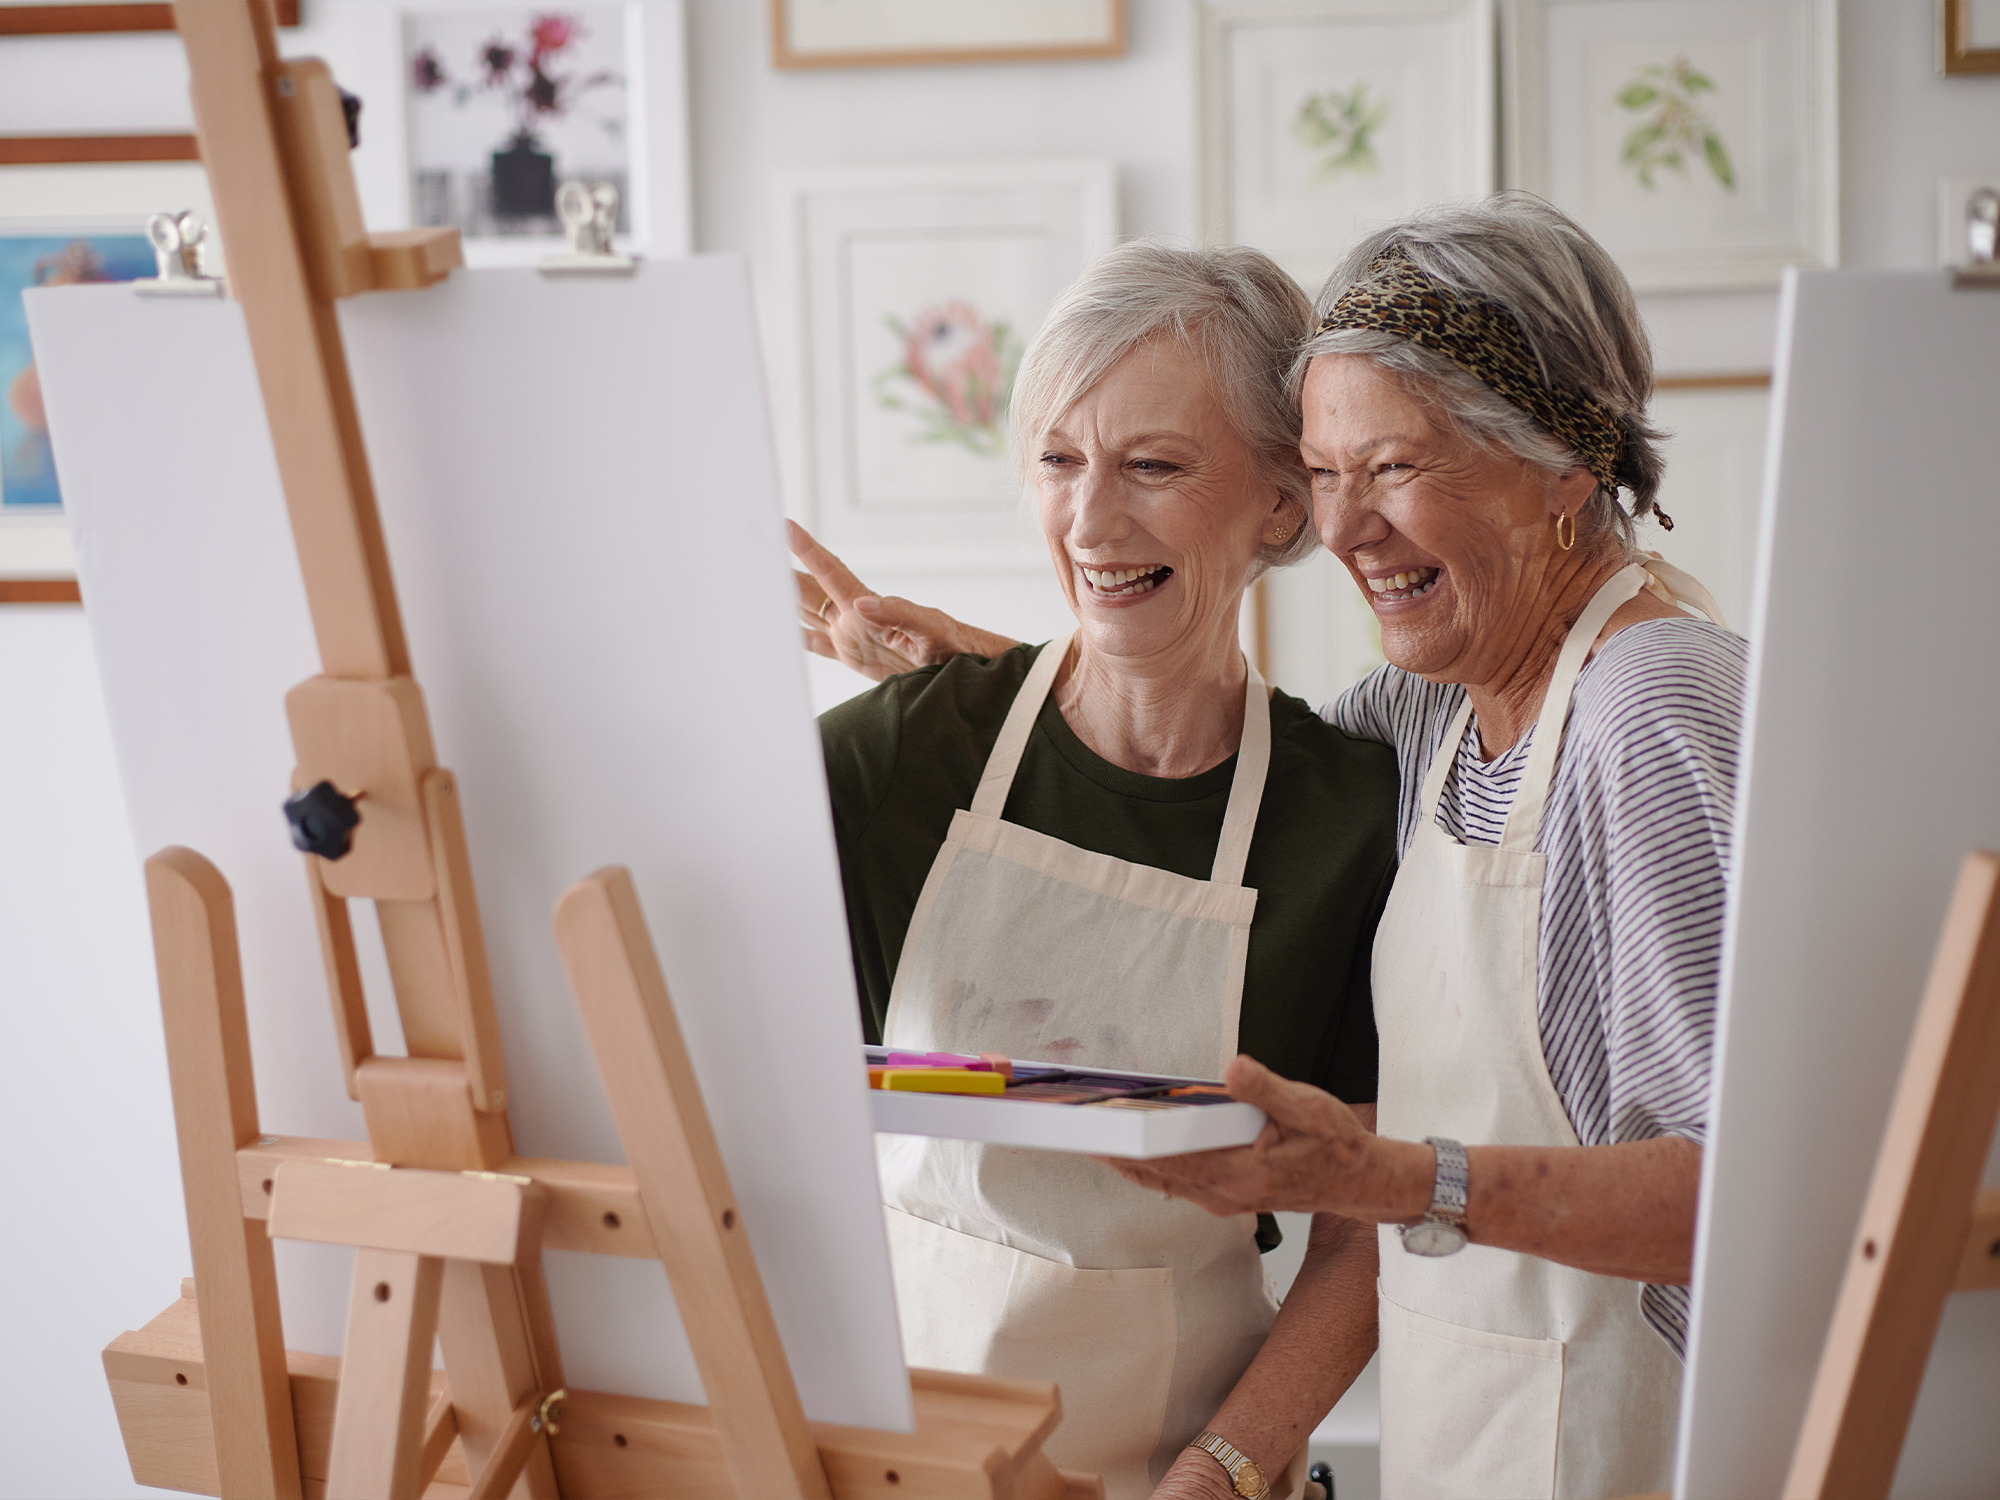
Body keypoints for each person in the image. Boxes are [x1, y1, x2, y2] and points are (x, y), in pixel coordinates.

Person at [801, 195, 1744, 1500]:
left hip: (1620, 1438)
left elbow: (1750, 1195)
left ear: (1565, 468)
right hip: (1465, 1428)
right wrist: (964, 687)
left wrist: (1390, 1179)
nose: (1350, 526)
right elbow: (1167, 741)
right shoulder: (1431, 714)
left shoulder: (1649, 710)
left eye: (1397, 468)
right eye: (1332, 469)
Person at [804, 242, 1399, 1499]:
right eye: (1059, 460)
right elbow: (714, 1085)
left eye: (1153, 466)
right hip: (889, 1459)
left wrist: (1221, 1471)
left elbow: (1362, 1227)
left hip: (1183, 1465)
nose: (1089, 520)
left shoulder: (1344, 818)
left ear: (1281, 505)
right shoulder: (901, 757)